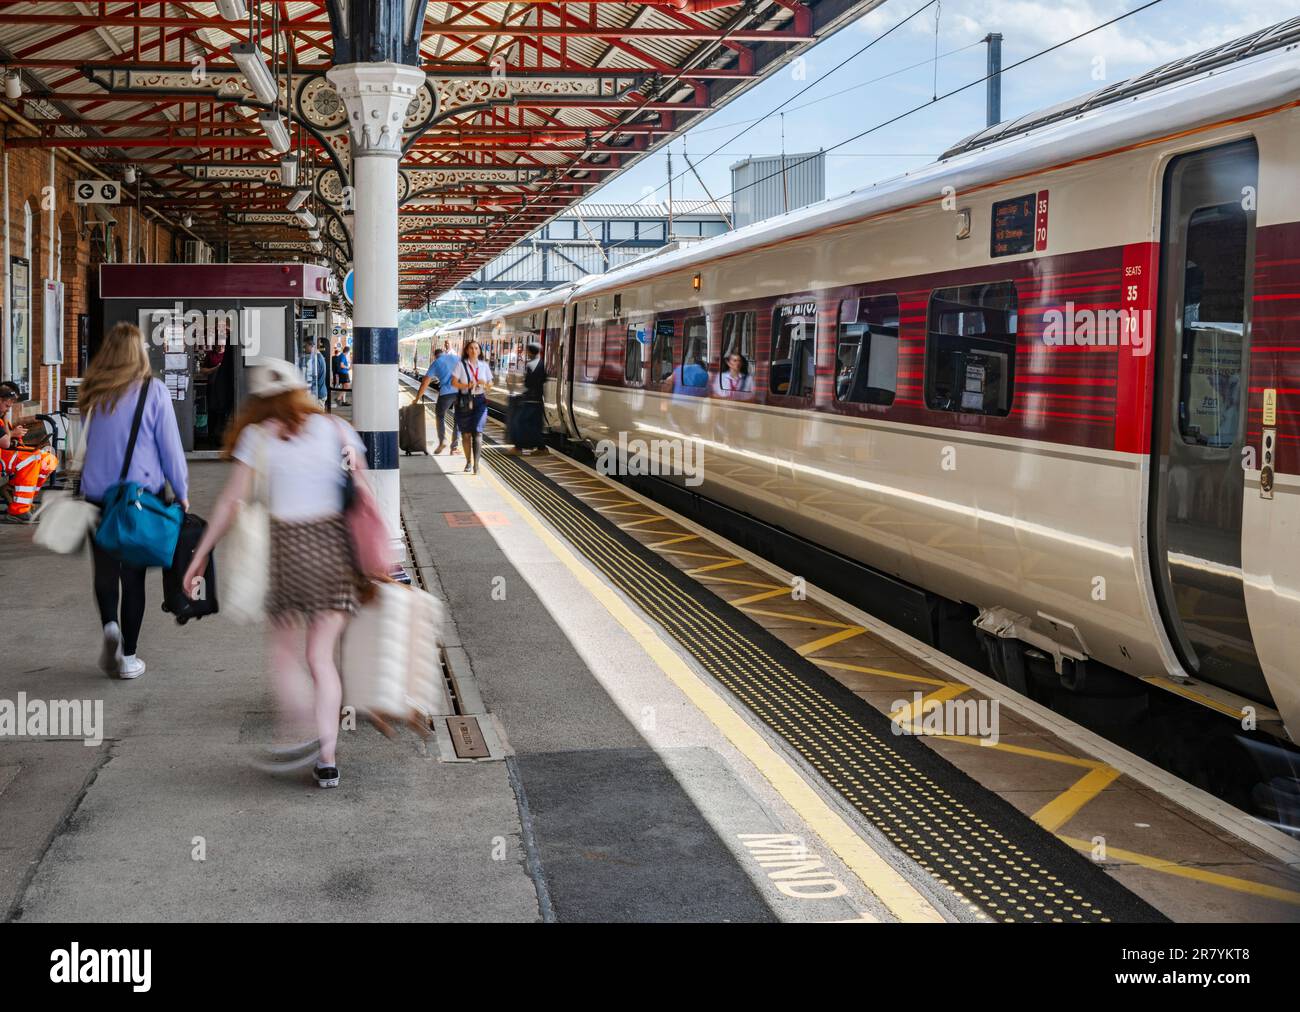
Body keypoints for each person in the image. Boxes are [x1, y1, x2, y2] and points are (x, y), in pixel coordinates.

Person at [182, 359, 365, 789]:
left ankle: (298, 729)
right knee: (322, 657)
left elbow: (230, 503)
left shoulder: (256, 437)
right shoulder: (337, 430)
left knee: (285, 653)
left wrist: (198, 557)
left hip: (289, 553)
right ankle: (327, 756)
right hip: (334, 551)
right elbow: (363, 494)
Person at [79, 322, 189, 679]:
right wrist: (182, 491)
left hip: (98, 497)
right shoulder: (153, 391)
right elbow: (169, 447)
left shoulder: (92, 391)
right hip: (140, 498)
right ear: (139, 352)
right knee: (134, 577)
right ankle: (128, 656)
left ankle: (110, 625)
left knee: (105, 570)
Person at [0, 380, 54, 522]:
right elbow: (5, 442)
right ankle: (18, 510)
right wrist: (12, 432)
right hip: (2, 458)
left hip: (6, 456)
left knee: (48, 461)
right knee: (32, 458)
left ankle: (21, 499)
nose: (7, 409)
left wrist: (13, 434)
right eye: (6, 406)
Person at [452, 339, 493, 475]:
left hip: (480, 401)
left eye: (476, 348)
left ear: (480, 351)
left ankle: (476, 465)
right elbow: (454, 383)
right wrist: (466, 386)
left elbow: (491, 385)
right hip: (464, 401)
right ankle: (468, 461)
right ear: (466, 351)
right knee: (466, 434)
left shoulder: (484, 366)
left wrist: (485, 383)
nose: (474, 350)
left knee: (478, 431)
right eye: (471, 348)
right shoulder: (460, 365)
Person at [414, 341, 461, 455]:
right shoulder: (456, 358)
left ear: (435, 356)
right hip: (460, 392)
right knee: (458, 419)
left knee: (440, 416)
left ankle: (442, 440)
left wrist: (417, 398)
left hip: (446, 393)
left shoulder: (436, 363)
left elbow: (425, 382)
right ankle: (454, 447)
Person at [510, 342, 547, 454]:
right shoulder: (541, 364)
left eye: (527, 351)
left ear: (530, 352)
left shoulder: (530, 365)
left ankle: (519, 447)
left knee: (519, 422)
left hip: (530, 400)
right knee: (535, 425)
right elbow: (544, 379)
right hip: (538, 399)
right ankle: (541, 448)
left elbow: (527, 384)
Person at [297, 338, 329, 404]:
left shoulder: (315, 359)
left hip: (317, 396)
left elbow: (311, 378)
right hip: (319, 394)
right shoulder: (319, 357)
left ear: (312, 346)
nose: (304, 349)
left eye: (305, 346)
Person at [332, 343, 351, 407]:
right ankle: (338, 398)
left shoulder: (340, 355)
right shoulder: (343, 356)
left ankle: (344, 401)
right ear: (347, 351)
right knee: (347, 387)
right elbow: (341, 365)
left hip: (341, 373)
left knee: (344, 387)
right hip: (344, 373)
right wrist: (347, 367)